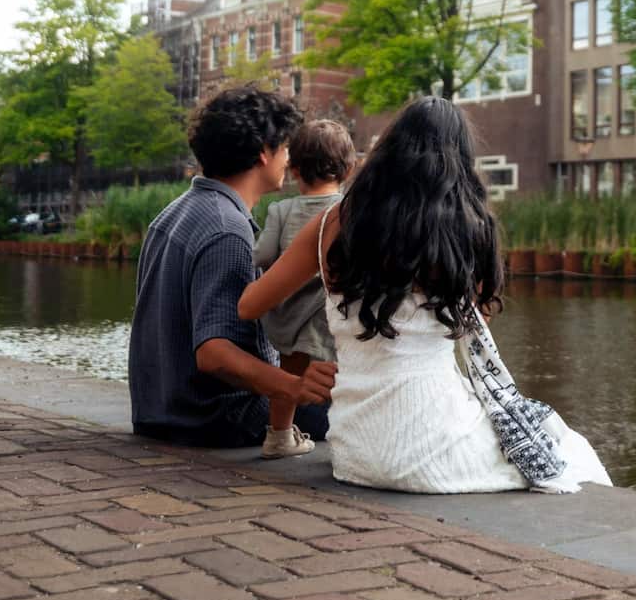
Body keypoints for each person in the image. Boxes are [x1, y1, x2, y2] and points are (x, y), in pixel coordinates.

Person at [240, 97, 610, 494]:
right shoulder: (466, 228)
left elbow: (249, 306)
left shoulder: (330, 223)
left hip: (356, 452)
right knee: (568, 446)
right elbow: (474, 320)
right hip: (435, 445)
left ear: (388, 153)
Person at [128, 87, 334, 448]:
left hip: (159, 410)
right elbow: (213, 354)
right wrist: (293, 386)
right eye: (284, 147)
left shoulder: (172, 213)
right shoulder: (228, 228)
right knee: (353, 404)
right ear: (262, 154)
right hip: (214, 418)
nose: (288, 158)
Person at [251, 119, 355, 459]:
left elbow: (262, 256)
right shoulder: (349, 213)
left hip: (288, 316)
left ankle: (279, 437)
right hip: (331, 316)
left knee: (289, 375)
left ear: (294, 169)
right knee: (344, 376)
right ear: (349, 169)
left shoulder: (281, 210)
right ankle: (350, 439)